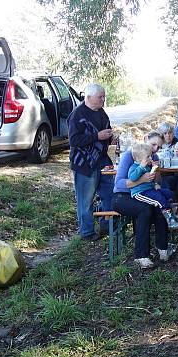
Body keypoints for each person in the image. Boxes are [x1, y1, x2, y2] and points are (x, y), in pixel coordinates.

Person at [113, 132, 176, 269]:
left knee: (159, 206)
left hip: (144, 193)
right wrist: (141, 179)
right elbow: (119, 184)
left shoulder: (153, 156)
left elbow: (157, 181)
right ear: (145, 139)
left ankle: (163, 249)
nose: (155, 149)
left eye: (159, 147)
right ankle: (141, 256)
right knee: (145, 210)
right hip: (122, 196)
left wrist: (156, 170)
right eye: (153, 144)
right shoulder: (130, 155)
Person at [68, 84, 115, 242]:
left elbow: (105, 131)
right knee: (86, 200)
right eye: (100, 97)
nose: (103, 100)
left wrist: (111, 137)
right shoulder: (77, 115)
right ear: (88, 97)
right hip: (84, 164)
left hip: (102, 160)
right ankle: (87, 232)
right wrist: (97, 136)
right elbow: (74, 140)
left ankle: (107, 225)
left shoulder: (101, 112)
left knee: (110, 194)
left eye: (104, 96)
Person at [127, 143, 178, 229]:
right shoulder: (134, 167)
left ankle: (174, 213)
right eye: (148, 157)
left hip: (149, 189)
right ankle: (169, 219)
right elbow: (132, 178)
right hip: (140, 193)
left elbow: (150, 180)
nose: (151, 158)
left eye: (151, 156)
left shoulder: (148, 167)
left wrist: (155, 183)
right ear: (139, 159)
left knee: (168, 193)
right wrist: (141, 167)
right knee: (159, 199)